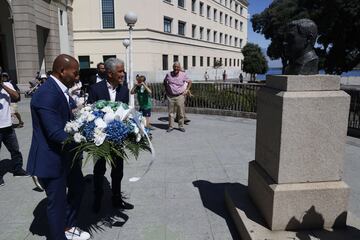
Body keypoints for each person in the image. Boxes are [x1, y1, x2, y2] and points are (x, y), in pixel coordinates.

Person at [26, 54, 90, 240]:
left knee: (78, 188)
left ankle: (68, 227)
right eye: (75, 73)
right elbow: (55, 133)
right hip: (51, 159)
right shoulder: (46, 93)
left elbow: (68, 119)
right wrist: (86, 140)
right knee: (57, 203)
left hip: (66, 156)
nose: (77, 77)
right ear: (62, 71)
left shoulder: (60, 89)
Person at [87, 57, 133, 213]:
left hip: (117, 138)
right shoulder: (95, 89)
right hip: (100, 138)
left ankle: (116, 199)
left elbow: (125, 113)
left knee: (118, 170)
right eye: (120, 71)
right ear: (109, 73)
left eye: (123, 70)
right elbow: (90, 114)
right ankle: (97, 199)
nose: (123, 74)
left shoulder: (124, 89)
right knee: (99, 169)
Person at [0, 71, 27, 187]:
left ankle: (17, 169)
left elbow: (17, 97)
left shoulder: (7, 85)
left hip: (8, 125)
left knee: (15, 149)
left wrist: (2, 85)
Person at [163, 62, 192, 132]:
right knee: (171, 113)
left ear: (179, 67)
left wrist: (187, 90)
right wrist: (166, 90)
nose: (176, 68)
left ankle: (181, 126)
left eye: (177, 67)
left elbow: (190, 81)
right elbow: (164, 82)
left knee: (181, 112)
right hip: (170, 96)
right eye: (175, 67)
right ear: (173, 67)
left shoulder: (183, 74)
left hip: (180, 96)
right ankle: (171, 126)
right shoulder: (168, 74)